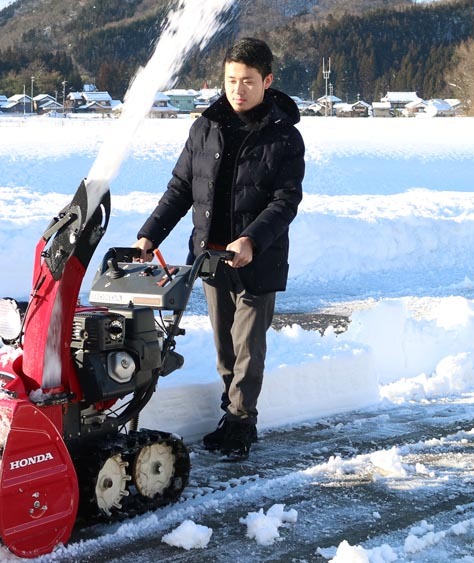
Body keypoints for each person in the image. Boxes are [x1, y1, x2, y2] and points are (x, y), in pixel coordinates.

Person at [134, 37, 304, 460]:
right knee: (225, 347)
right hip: (209, 258)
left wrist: (252, 240)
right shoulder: (205, 127)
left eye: (247, 81)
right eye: (231, 80)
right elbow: (181, 188)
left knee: (248, 346)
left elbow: (285, 201)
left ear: (267, 81)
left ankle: (242, 422)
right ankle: (231, 415)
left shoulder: (284, 137)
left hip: (257, 258)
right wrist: (150, 235)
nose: (238, 89)